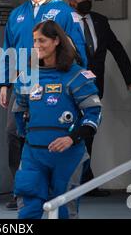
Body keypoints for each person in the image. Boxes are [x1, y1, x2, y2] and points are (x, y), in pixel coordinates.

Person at [0, 0, 88, 209]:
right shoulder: (17, 14)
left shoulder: (63, 12)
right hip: (24, 83)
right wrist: (4, 84)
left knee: (58, 131)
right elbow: (7, 50)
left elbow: (78, 49)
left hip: (57, 82)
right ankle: (23, 192)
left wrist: (80, 80)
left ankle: (57, 193)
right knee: (15, 133)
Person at [12, 20, 102, 219]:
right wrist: (29, 138)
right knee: (27, 211)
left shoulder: (76, 76)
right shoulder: (28, 76)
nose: (37, 45)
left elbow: (94, 115)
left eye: (42, 40)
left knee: (64, 213)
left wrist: (72, 138)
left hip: (68, 155)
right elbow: (19, 112)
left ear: (56, 41)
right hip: (33, 155)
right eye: (34, 41)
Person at [68, 0, 131, 196]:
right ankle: (73, 182)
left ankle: (85, 181)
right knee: (71, 132)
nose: (86, 2)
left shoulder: (100, 20)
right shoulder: (64, 21)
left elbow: (116, 49)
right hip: (70, 87)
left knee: (88, 132)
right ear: (71, 1)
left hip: (94, 87)